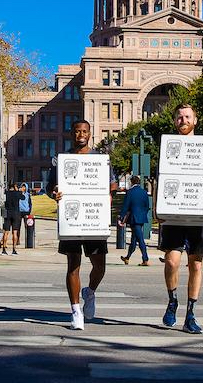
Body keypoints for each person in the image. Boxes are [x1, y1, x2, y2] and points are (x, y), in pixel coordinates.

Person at [158, 103, 203, 334]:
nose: (183, 120)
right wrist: (158, 208)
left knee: (196, 264)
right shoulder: (167, 146)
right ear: (175, 121)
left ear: (195, 120)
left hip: (198, 214)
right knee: (171, 261)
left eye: (187, 117)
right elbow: (161, 179)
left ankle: (190, 314)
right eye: (179, 117)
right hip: (175, 214)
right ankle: (172, 300)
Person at [48, 119, 118, 330]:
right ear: (72, 134)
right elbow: (50, 187)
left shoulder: (100, 158)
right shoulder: (62, 159)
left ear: (90, 134)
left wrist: (109, 196)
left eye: (84, 131)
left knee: (99, 265)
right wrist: (55, 194)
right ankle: (75, 310)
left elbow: (111, 184)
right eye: (77, 131)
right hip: (72, 219)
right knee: (73, 264)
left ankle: (90, 292)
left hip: (94, 217)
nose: (81, 134)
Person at [119, 175, 150, 266]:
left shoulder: (130, 192)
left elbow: (126, 206)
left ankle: (145, 259)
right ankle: (127, 257)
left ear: (131, 182)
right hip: (141, 218)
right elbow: (147, 206)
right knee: (134, 239)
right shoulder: (144, 192)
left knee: (140, 239)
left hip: (134, 218)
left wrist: (121, 217)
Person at [1, 182, 23, 255]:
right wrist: (17, 190)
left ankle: (4, 249)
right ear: (15, 186)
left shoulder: (6, 193)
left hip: (8, 213)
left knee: (6, 232)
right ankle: (14, 249)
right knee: (15, 232)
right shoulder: (18, 193)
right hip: (16, 214)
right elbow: (23, 197)